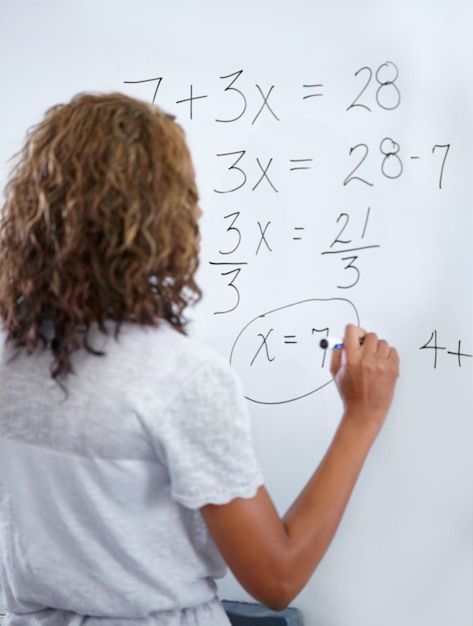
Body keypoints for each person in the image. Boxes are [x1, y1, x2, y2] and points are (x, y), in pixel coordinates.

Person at [0, 92, 400, 626]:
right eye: (185, 192)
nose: (199, 209)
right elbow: (277, 580)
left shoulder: (13, 350)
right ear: (153, 217)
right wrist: (362, 417)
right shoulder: (176, 376)